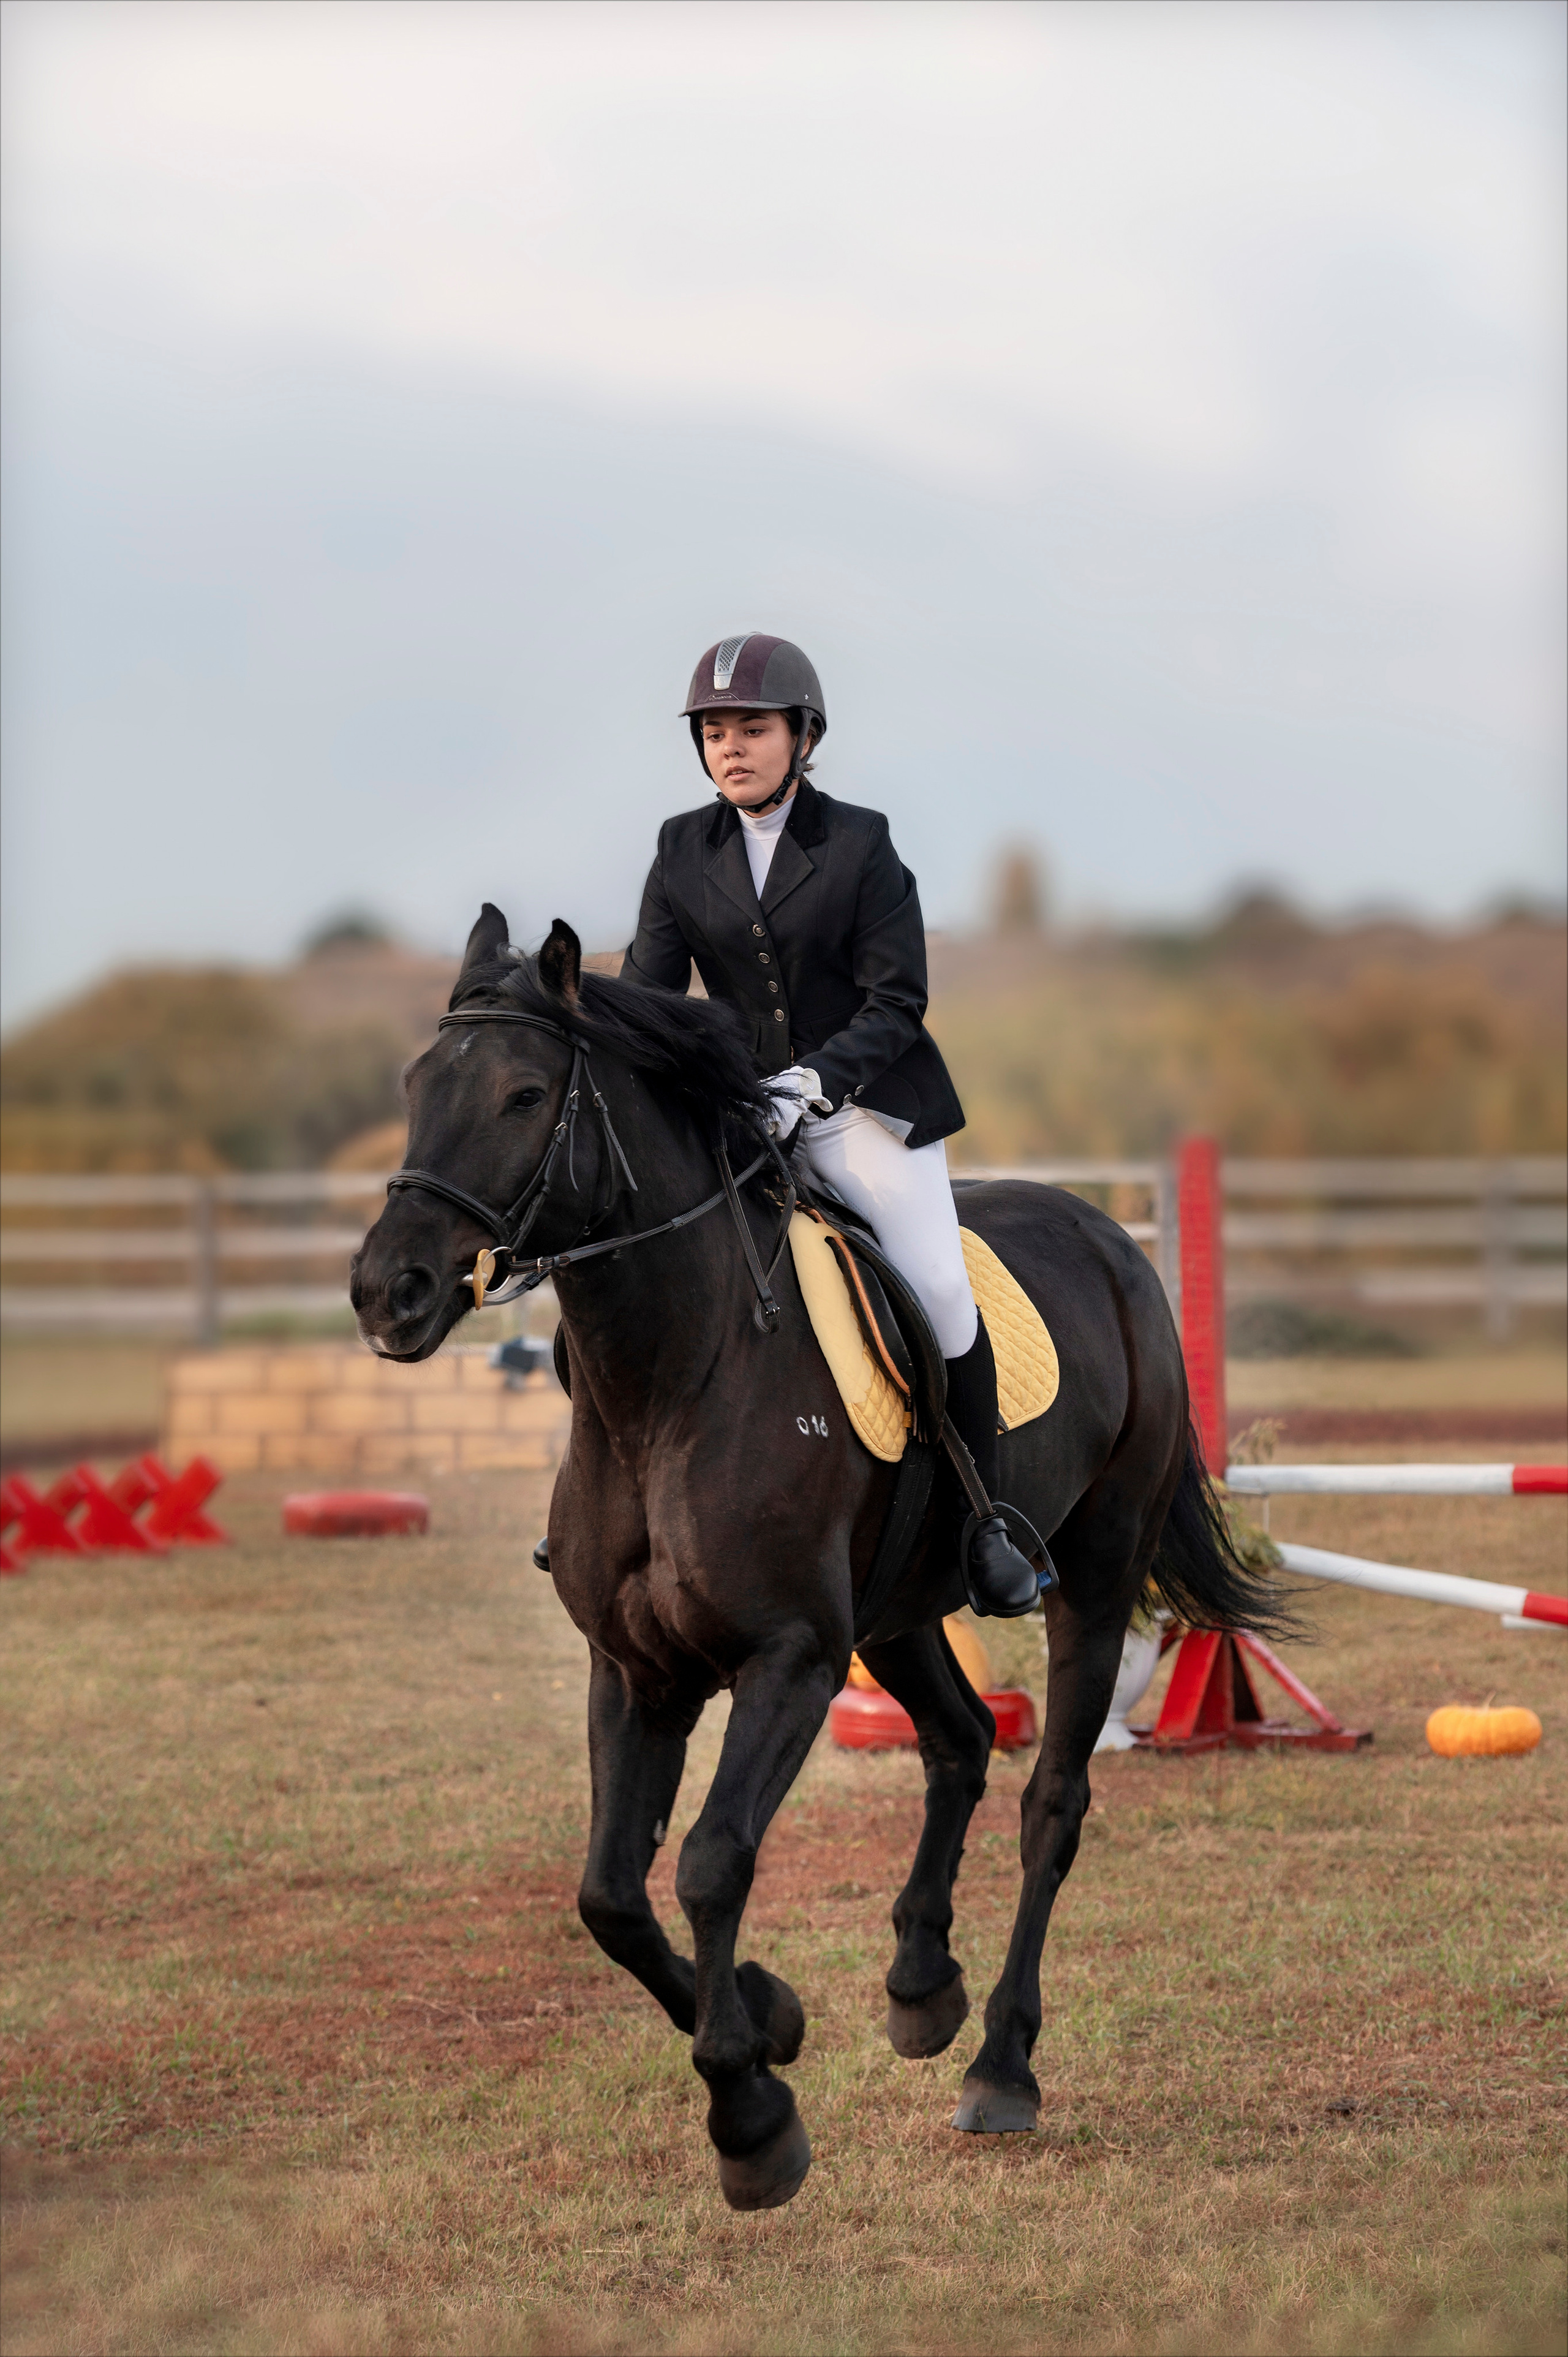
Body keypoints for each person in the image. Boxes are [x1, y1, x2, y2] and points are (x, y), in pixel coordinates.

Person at [622, 632, 1043, 1619]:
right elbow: (650, 995)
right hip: (742, 1116)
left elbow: (898, 1002)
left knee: (938, 1284)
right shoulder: (683, 848)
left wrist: (811, 1081)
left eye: (753, 730)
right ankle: (612, 1505)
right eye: (715, 733)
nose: (732, 749)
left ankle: (986, 1520)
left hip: (864, 1106)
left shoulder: (860, 842)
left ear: (803, 736)